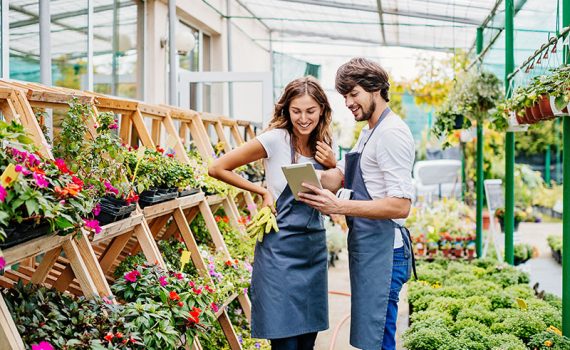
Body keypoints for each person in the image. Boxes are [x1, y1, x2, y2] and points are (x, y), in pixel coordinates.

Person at [208, 76, 337, 350]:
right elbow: (218, 167)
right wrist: (262, 191)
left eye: (311, 111)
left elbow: (334, 193)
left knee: (306, 342)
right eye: (296, 111)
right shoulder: (275, 139)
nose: (303, 118)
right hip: (279, 252)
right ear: (286, 110)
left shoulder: (323, 145)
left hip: (312, 249)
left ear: (322, 111)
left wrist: (333, 164)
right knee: (285, 343)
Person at [298, 58, 416, 350]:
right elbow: (349, 181)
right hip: (369, 246)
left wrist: (339, 207)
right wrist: (306, 175)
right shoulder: (370, 131)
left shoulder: (391, 133)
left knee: (377, 338)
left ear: (375, 88)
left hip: (386, 250)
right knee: (368, 337)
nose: (348, 102)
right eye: (345, 96)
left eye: (353, 94)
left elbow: (400, 205)